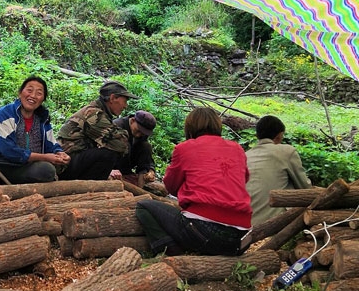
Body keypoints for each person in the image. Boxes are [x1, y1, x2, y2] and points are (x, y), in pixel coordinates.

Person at [135, 107, 252, 256]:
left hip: (204, 231)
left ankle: (171, 253)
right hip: (242, 238)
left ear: (190, 127)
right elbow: (243, 179)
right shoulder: (237, 149)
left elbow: (171, 186)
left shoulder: (184, 148)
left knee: (143, 206)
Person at [0, 76, 70, 185]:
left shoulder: (42, 119)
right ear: (20, 93)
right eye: (29, 90)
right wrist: (45, 157)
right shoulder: (5, 114)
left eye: (39, 93)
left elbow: (52, 144)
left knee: (46, 170)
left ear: (43, 99)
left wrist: (60, 153)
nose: (33, 96)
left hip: (26, 168)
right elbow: (9, 151)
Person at [56, 80, 135, 180]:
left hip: (72, 160)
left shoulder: (101, 112)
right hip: (65, 165)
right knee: (108, 154)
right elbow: (121, 145)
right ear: (113, 98)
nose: (125, 106)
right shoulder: (93, 114)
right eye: (125, 101)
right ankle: (90, 187)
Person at [246, 115, 311, 226]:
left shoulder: (246, 155)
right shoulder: (286, 151)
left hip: (245, 220)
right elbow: (304, 187)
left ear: (257, 135)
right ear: (280, 135)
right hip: (272, 222)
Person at [111, 110, 158, 187]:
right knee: (125, 144)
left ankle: (141, 183)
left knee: (146, 146)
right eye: (138, 131)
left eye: (142, 134)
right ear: (132, 121)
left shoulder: (142, 134)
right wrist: (110, 170)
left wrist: (151, 169)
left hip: (129, 163)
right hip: (114, 164)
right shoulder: (117, 126)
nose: (138, 135)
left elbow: (145, 152)